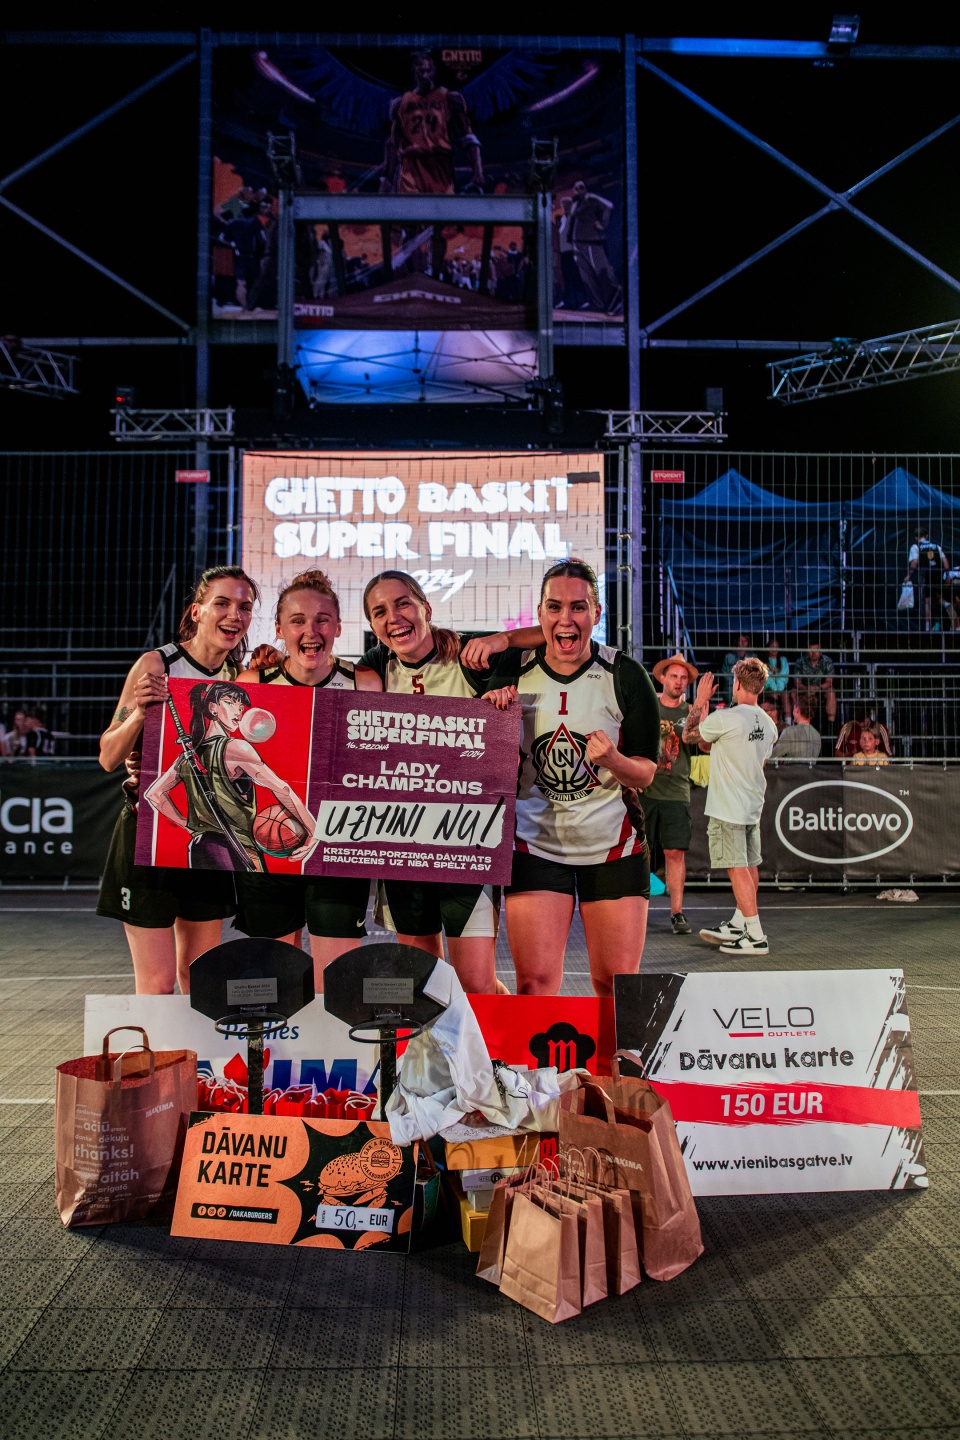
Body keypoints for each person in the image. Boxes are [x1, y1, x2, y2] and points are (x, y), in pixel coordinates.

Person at [361, 569, 543, 993]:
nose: (393, 617)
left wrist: (503, 639)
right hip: (403, 843)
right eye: (379, 611)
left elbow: (551, 634)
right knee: (424, 983)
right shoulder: (374, 667)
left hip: (467, 844)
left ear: (425, 608)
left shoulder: (468, 654)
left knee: (476, 984)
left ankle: (488, 1037)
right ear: (372, 625)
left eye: (403, 604)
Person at [485, 560, 660, 997]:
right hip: (534, 845)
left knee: (615, 987)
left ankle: (612, 1051)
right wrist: (491, 711)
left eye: (578, 607)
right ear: (539, 614)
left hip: (612, 846)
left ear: (597, 613)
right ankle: (538, 1052)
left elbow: (645, 773)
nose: (566, 619)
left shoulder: (625, 675)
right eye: (555, 607)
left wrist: (614, 760)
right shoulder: (510, 671)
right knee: (535, 986)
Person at [96, 566, 260, 995]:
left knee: (199, 979)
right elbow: (108, 756)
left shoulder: (241, 680)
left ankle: (197, 1049)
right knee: (156, 983)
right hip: (149, 835)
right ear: (197, 610)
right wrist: (139, 713)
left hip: (209, 838)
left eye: (244, 607)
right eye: (222, 603)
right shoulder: (157, 663)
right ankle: (155, 1046)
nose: (234, 615)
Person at [232, 570, 382, 989]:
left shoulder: (364, 684)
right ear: (279, 629)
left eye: (322, 620)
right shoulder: (253, 684)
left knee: (333, 982)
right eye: (297, 621)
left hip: (338, 848)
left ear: (338, 627)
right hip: (268, 843)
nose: (311, 631)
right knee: (275, 981)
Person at [145, 679, 319, 871]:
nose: (239, 711)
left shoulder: (187, 755)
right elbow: (282, 789)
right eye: (230, 703)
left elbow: (154, 794)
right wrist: (313, 831)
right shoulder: (237, 748)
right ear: (212, 707)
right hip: (235, 849)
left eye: (241, 706)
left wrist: (189, 826)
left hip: (200, 847)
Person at [684, 657, 778, 956]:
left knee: (738, 869)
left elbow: (688, 735)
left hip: (728, 806)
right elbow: (749, 757)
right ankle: (739, 923)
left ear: (737, 683)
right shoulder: (769, 724)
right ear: (760, 687)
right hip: (752, 803)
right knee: (749, 866)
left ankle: (756, 935)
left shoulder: (726, 717)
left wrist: (701, 699)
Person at [645, 653, 700, 935]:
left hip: (677, 791)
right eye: (674, 676)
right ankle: (636, 909)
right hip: (645, 789)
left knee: (675, 852)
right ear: (663, 678)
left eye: (683, 678)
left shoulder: (692, 712)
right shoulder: (648, 706)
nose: (679, 681)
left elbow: (705, 745)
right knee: (639, 852)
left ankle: (677, 913)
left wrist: (700, 711)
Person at [380, 52, 483, 195]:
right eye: (421, 71)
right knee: (411, 208)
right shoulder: (401, 103)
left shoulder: (449, 98)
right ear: (414, 72)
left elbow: (468, 138)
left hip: (439, 165)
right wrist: (386, 178)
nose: (425, 75)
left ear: (434, 71)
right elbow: (393, 142)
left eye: (428, 71)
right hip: (411, 167)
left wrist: (478, 172)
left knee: (441, 207)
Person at [569, 180, 619, 313]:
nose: (578, 189)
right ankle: (597, 303)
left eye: (581, 187)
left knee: (602, 272)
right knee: (586, 277)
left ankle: (614, 302)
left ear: (586, 188)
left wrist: (603, 224)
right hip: (577, 243)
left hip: (591, 241)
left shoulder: (591, 197)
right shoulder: (576, 203)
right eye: (576, 188)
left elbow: (609, 205)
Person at [907, 528, 949, 631]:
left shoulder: (916, 547)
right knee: (937, 598)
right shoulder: (936, 546)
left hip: (926, 576)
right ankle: (946, 610)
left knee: (927, 602)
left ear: (916, 537)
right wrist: (947, 576)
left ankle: (927, 628)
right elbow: (945, 561)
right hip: (938, 575)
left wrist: (908, 576)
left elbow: (914, 562)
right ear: (927, 536)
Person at [791, 641, 837, 731]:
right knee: (793, 692)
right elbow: (796, 682)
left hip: (821, 690)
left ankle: (831, 726)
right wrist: (806, 688)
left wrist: (819, 688)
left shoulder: (827, 661)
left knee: (831, 692)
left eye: (816, 650)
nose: (813, 653)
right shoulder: (800, 661)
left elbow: (829, 681)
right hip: (805, 690)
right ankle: (796, 722)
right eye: (811, 650)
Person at [720, 635, 757, 704]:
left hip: (748, 684)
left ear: (748, 642)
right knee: (731, 691)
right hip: (732, 685)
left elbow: (754, 674)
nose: (742, 643)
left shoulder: (753, 656)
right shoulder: (728, 656)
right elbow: (726, 674)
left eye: (745, 641)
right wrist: (736, 684)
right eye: (740, 640)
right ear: (736, 642)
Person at [764, 638, 790, 717]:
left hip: (781, 688)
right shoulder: (763, 661)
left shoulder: (783, 660)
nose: (774, 649)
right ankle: (775, 720)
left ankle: (788, 721)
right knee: (773, 695)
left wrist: (779, 690)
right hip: (767, 689)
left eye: (776, 646)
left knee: (785, 696)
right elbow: (766, 678)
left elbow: (783, 676)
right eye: (772, 646)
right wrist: (775, 690)